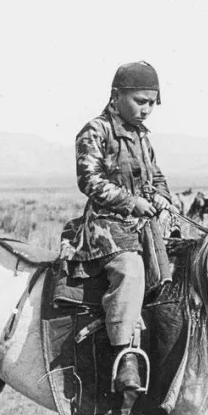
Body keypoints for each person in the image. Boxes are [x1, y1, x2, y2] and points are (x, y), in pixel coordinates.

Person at [58, 60, 174, 395]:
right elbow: (90, 180)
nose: (147, 109)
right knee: (131, 270)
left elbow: (157, 176)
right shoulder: (95, 131)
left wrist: (163, 199)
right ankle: (125, 355)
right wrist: (132, 202)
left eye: (152, 102)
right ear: (116, 96)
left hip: (144, 228)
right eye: (140, 101)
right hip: (105, 228)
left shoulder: (141, 136)